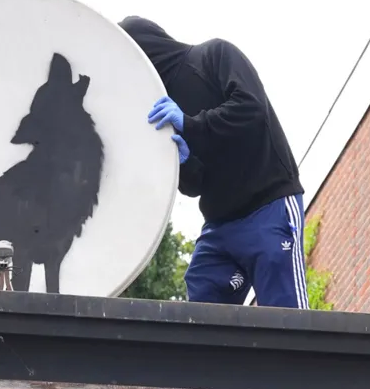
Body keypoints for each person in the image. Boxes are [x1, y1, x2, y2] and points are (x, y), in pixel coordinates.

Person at [119, 16, 308, 309]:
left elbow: (251, 109)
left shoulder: (214, 55)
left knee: (286, 315)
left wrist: (191, 125)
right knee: (202, 308)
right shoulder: (160, 107)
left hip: (269, 207)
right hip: (221, 225)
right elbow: (195, 185)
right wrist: (184, 163)